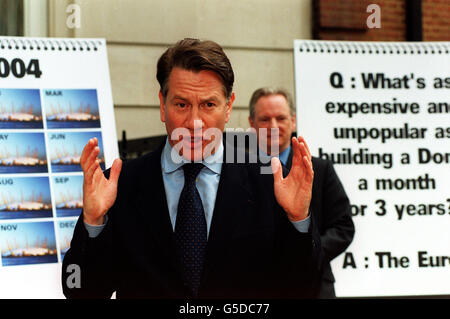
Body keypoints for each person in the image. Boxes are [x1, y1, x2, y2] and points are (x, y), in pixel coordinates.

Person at [62, 39, 320, 299]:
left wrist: (298, 221)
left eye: (208, 105)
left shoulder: (270, 182)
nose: (195, 123)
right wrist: (92, 224)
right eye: (182, 104)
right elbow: (78, 290)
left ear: (228, 107)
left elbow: (305, 289)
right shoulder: (120, 185)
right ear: (163, 105)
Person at [248, 87, 355, 298]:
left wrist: (307, 254)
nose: (273, 126)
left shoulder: (320, 169)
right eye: (264, 119)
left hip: (314, 287)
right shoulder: (237, 172)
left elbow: (343, 228)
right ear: (252, 124)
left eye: (280, 118)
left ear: (293, 121)